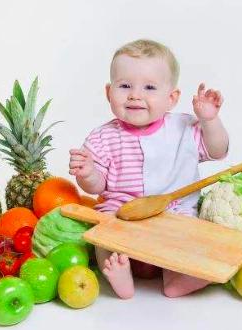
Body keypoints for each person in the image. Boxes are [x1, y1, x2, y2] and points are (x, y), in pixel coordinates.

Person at [69, 39, 229, 299]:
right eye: (124, 86)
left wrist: (210, 121)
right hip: (123, 214)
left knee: (193, 243)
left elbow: (218, 150)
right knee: (103, 236)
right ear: (109, 92)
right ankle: (120, 274)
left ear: (172, 98)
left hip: (175, 215)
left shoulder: (184, 129)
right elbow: (97, 186)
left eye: (149, 87)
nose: (135, 95)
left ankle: (178, 279)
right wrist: (87, 173)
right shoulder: (102, 137)